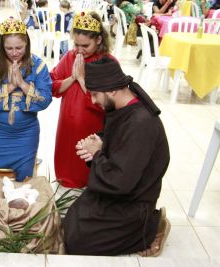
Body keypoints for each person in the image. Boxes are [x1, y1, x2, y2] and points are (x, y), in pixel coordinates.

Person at [63, 57, 170, 256]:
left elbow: (120, 181)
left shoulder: (140, 123)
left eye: (95, 94)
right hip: (121, 191)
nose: (93, 100)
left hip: (133, 202)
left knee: (78, 243)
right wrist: (98, 144)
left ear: (112, 90)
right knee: (72, 220)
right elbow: (118, 140)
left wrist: (96, 154)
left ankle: (152, 227)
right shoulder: (123, 106)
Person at [0, 17, 52, 182]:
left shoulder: (38, 65)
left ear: (26, 43)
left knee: (24, 181)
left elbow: (45, 100)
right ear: (2, 46)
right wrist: (11, 86)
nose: (14, 52)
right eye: (9, 48)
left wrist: (22, 83)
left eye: (19, 47)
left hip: (27, 134)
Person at [50, 11, 115, 189]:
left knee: (86, 160)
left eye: (85, 45)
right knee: (67, 163)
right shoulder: (71, 56)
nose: (79, 50)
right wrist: (72, 78)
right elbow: (53, 84)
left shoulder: (107, 62)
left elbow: (108, 102)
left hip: (91, 124)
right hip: (67, 123)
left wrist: (81, 79)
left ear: (99, 40)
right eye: (76, 44)